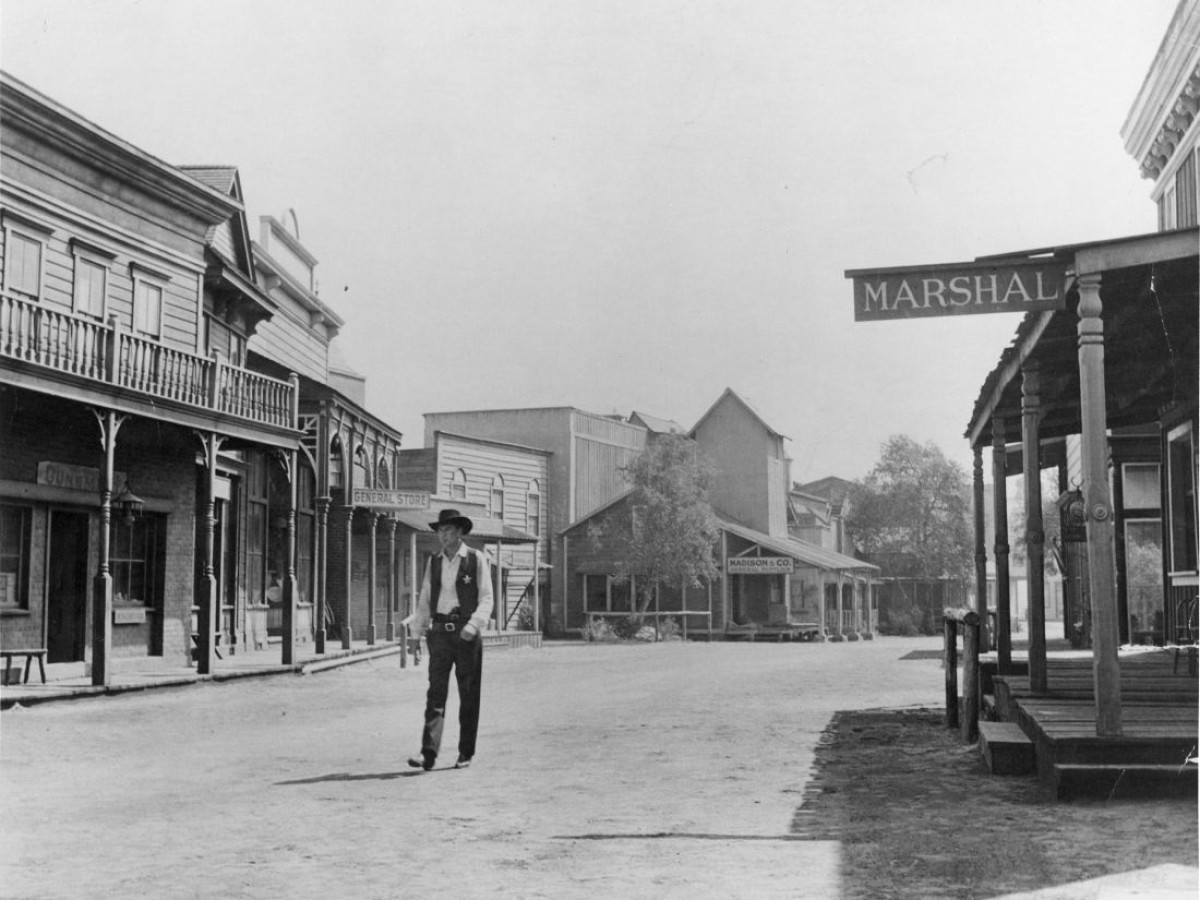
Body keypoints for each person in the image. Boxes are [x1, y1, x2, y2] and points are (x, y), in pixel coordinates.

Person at [404, 508, 493, 771]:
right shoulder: (434, 562)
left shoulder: (476, 559)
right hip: (440, 633)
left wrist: (474, 624)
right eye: (440, 530)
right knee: (435, 694)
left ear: (460, 532)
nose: (443, 535)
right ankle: (427, 754)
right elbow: (424, 601)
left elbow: (487, 598)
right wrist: (416, 635)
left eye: (449, 530)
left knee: (468, 695)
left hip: (466, 634)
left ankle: (465, 752)